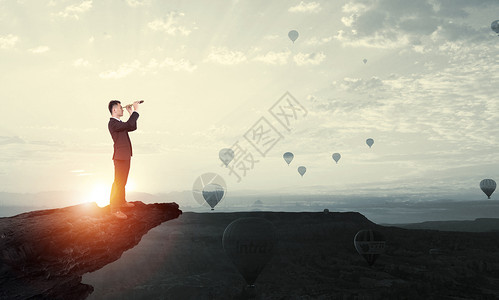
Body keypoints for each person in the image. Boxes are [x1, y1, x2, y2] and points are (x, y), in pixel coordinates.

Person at [108, 100, 141, 219]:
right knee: (118, 182)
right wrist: (136, 111)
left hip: (125, 155)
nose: (122, 109)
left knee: (123, 181)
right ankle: (114, 209)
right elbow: (128, 125)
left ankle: (121, 201)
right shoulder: (113, 123)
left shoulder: (120, 123)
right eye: (120, 107)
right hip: (120, 157)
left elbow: (132, 126)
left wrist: (131, 112)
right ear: (114, 109)